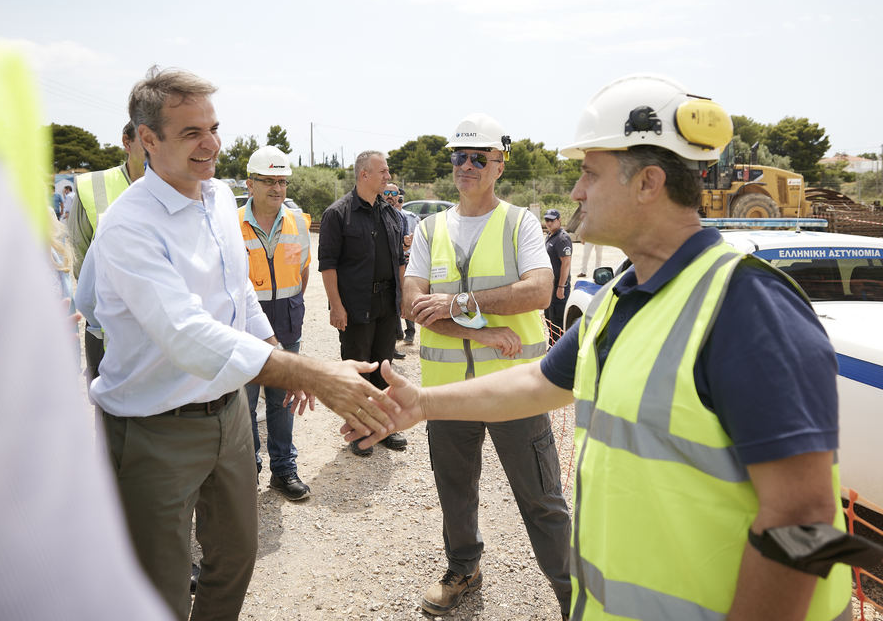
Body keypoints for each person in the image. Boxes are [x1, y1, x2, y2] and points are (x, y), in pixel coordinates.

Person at [351, 76, 852, 621]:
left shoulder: (748, 307)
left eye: (590, 173)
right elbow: (539, 382)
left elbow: (802, 517)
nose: (575, 192)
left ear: (648, 183)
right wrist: (422, 405)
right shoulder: (619, 298)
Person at [76, 67, 397, 620]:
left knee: (235, 559)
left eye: (214, 128)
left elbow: (238, 292)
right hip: (154, 431)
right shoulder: (127, 226)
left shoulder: (219, 198)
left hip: (227, 417)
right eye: (191, 132)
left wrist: (275, 345)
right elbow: (185, 335)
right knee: (161, 587)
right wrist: (311, 374)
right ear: (147, 139)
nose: (211, 145)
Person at [0, 30, 170, 620]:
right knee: (118, 438)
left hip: (145, 334)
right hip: (109, 332)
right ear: (132, 140)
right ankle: (130, 538)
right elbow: (79, 260)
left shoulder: (188, 185)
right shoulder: (88, 187)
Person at [403, 113, 572, 617]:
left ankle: (574, 594)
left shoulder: (520, 222)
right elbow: (413, 303)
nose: (467, 166)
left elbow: (539, 291)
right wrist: (479, 327)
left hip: (515, 387)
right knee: (455, 489)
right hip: (448, 392)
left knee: (541, 498)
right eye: (459, 156)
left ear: (500, 165)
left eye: (479, 158)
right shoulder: (431, 228)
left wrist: (458, 305)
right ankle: (463, 569)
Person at [318, 151, 409, 457]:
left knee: (384, 368)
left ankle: (381, 428)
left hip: (386, 304)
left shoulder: (389, 212)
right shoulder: (338, 214)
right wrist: (335, 305)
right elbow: (328, 265)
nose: (388, 176)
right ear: (364, 175)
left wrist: (404, 299)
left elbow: (399, 259)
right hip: (356, 306)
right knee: (358, 371)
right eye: (383, 171)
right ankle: (358, 430)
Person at [238, 145, 312, 501]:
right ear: (250, 183)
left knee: (282, 404)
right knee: (245, 404)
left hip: (287, 324)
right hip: (246, 330)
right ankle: (247, 469)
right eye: (268, 181)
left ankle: (284, 469)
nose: (277, 189)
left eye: (282, 181)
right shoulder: (231, 224)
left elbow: (303, 272)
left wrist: (291, 306)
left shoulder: (298, 222)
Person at [69, 121, 146, 380]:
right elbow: (78, 256)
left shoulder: (183, 187)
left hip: (163, 339)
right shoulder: (93, 187)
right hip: (104, 334)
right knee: (108, 415)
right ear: (127, 142)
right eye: (147, 139)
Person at [387, 183, 419, 346]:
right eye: (387, 192)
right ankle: (395, 337)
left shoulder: (408, 217)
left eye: (396, 195)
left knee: (405, 295)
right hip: (390, 266)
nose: (393, 198)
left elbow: (408, 244)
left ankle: (409, 331)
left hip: (406, 262)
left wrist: (406, 244)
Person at [543, 208, 572, 345]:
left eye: (552, 220)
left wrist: (561, 287)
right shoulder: (550, 236)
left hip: (558, 287)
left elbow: (566, 264)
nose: (549, 223)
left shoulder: (562, 238)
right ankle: (553, 345)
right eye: (546, 220)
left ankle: (559, 349)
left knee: (558, 321)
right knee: (549, 318)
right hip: (549, 287)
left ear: (559, 220)